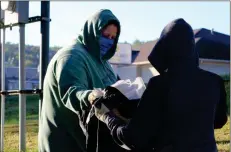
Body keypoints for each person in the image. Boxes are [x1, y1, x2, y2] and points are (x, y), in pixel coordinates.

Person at [93, 18, 228, 152]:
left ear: (165, 48)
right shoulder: (215, 81)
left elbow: (133, 139)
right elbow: (219, 121)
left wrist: (108, 117)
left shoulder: (159, 85)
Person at [38, 9, 131, 152]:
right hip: (66, 141)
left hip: (90, 139)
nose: (109, 41)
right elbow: (72, 92)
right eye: (106, 35)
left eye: (113, 38)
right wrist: (90, 96)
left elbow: (115, 88)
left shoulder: (103, 62)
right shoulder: (71, 56)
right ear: (92, 31)